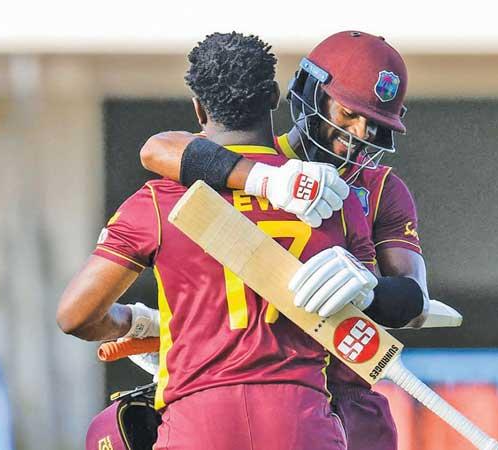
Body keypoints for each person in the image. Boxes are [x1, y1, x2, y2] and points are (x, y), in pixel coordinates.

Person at [57, 32, 381, 450]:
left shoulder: (157, 200)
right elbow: (370, 336)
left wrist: (139, 322)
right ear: (274, 97)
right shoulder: (332, 197)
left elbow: (75, 317)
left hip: (198, 426)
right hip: (301, 426)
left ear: (197, 108)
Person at [137, 31, 429, 450]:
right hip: (254, 391)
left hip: (345, 396)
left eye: (375, 124)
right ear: (312, 92)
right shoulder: (243, 159)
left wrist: (367, 290)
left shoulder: (381, 187)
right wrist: (269, 180)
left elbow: (414, 300)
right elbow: (156, 149)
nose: (359, 133)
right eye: (348, 113)